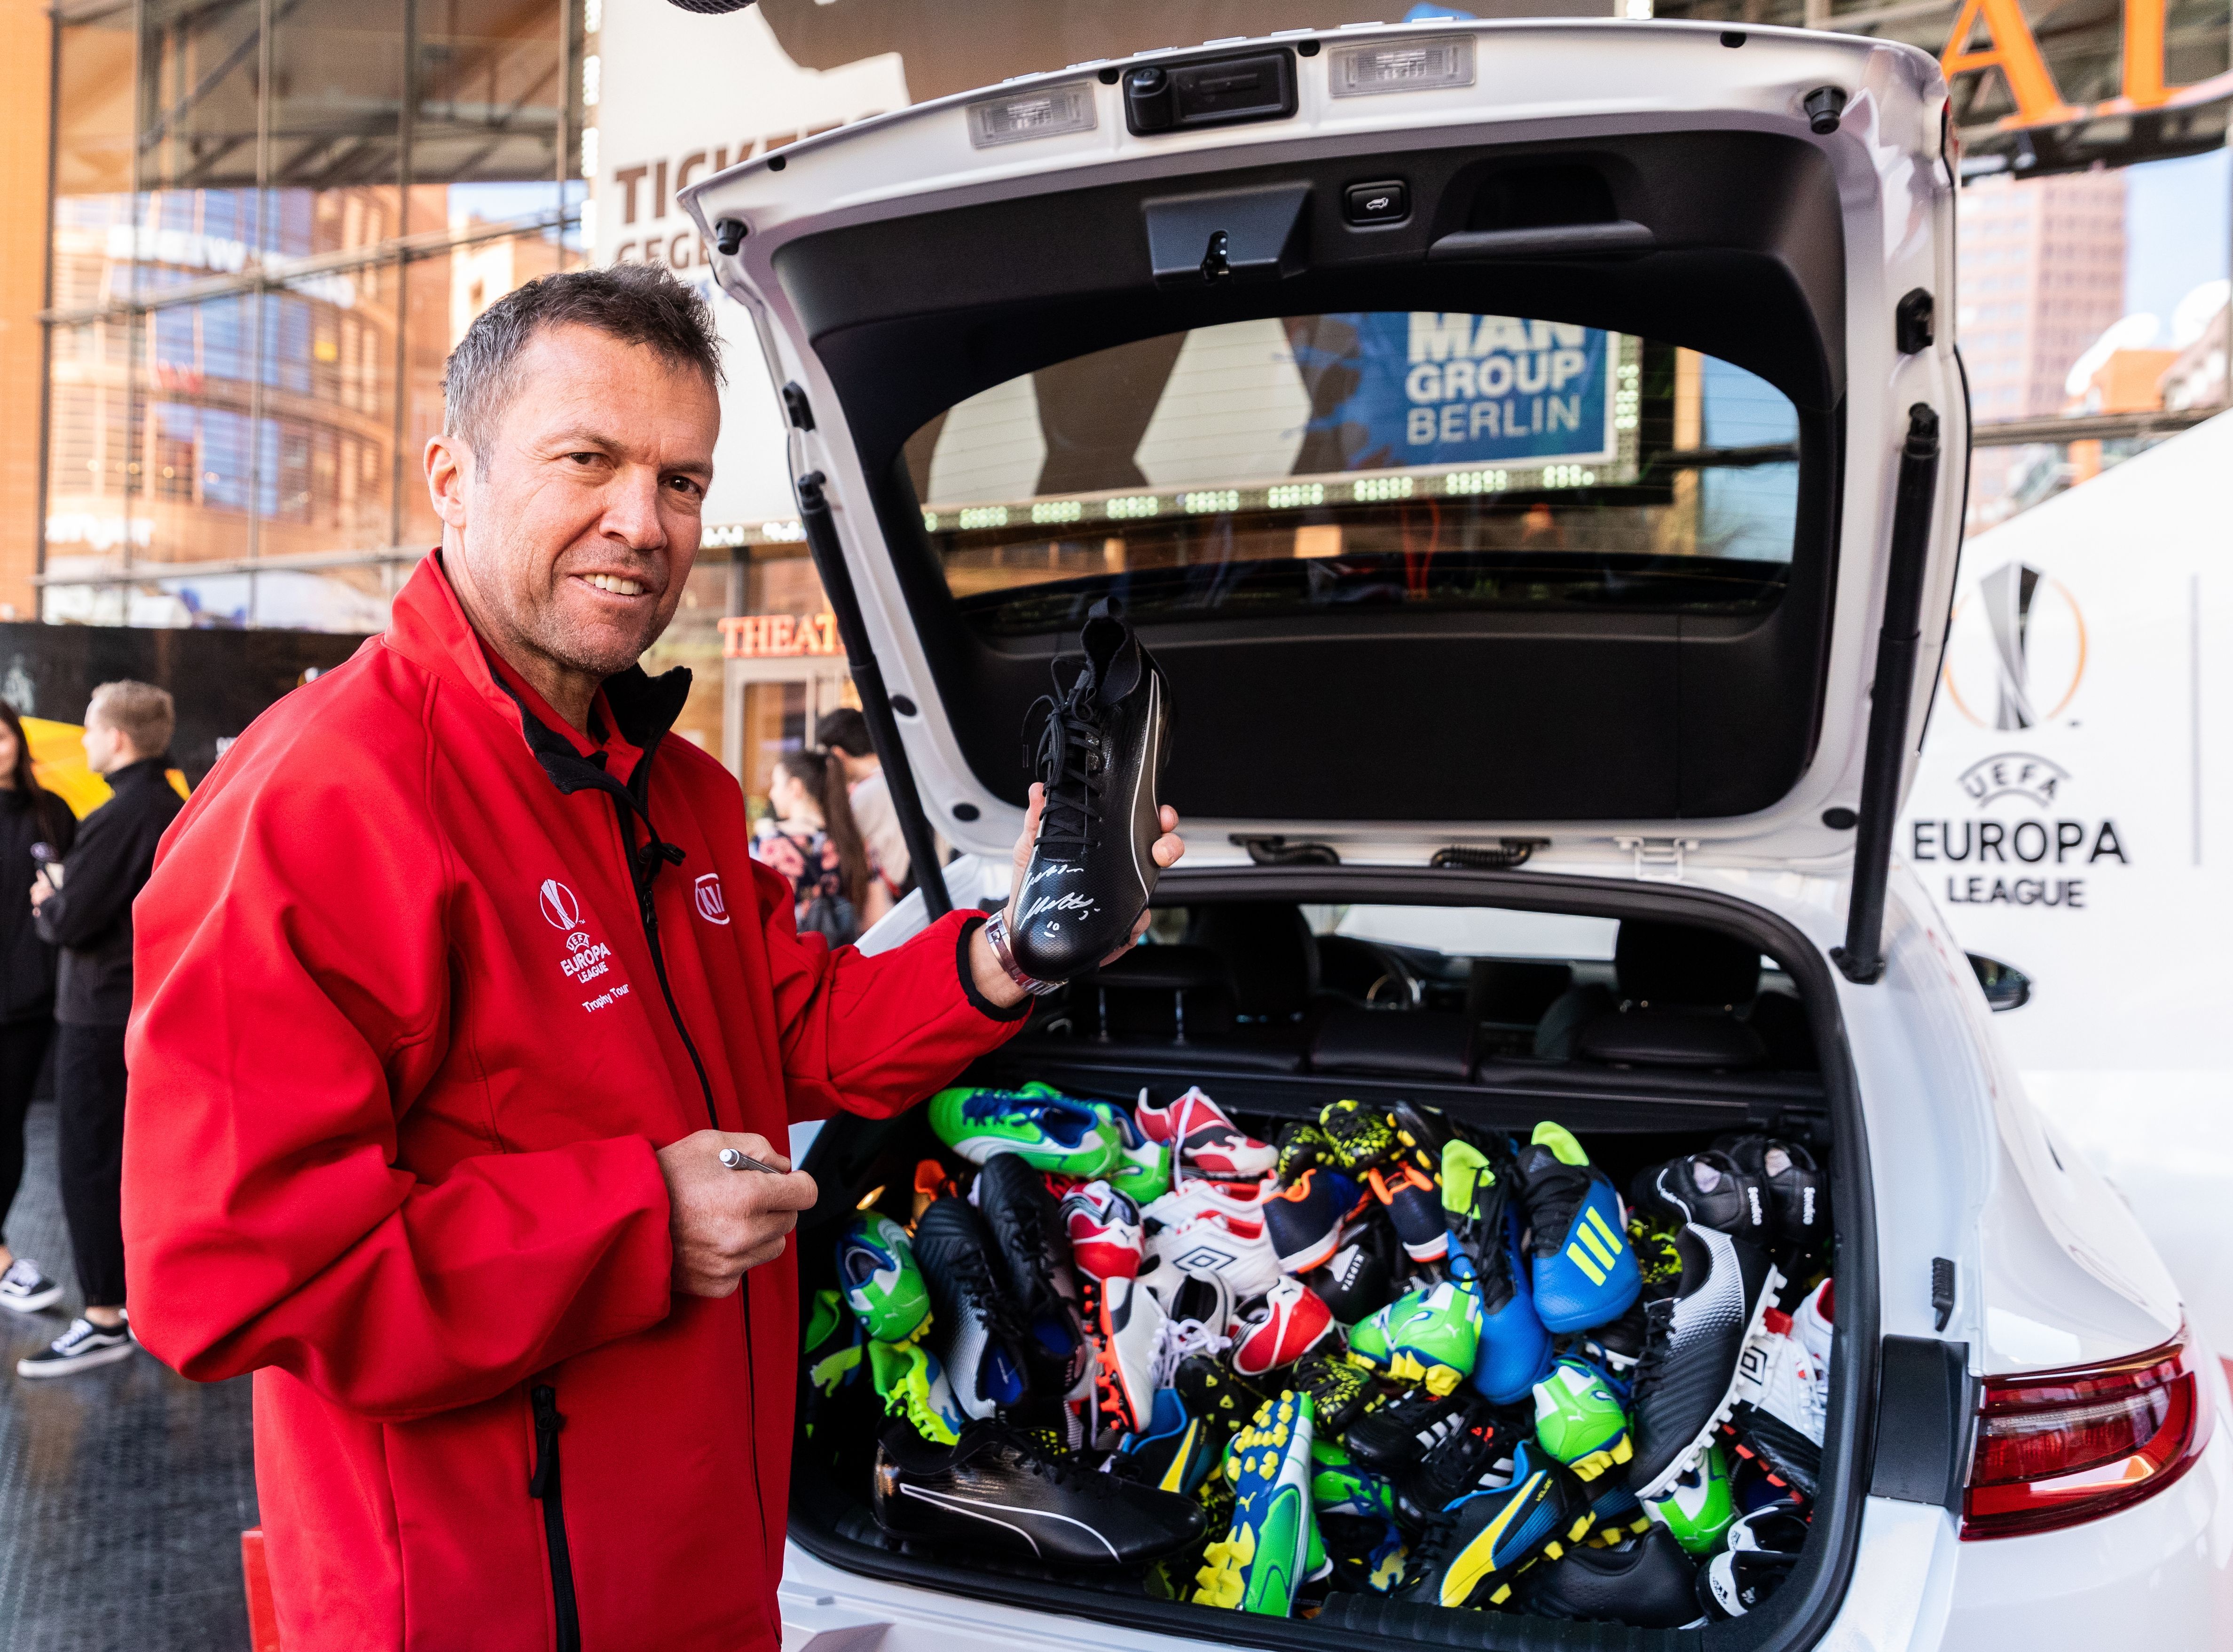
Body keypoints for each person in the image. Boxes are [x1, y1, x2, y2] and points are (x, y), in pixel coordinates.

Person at [121, 265, 1183, 1651]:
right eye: (589, 460)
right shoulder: (321, 799)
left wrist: (1013, 953)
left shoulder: (668, 790)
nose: (641, 520)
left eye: (681, 481)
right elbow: (225, 1270)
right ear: (452, 476)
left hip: (705, 1579)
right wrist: (636, 1223)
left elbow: (798, 1028)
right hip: (474, 1607)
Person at [20, 680, 181, 1377]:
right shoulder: (173, 803)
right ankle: (140, 1307)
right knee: (133, 1165)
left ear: (116, 737)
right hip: (144, 1010)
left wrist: (51, 901)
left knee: (88, 1162)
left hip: (98, 1015)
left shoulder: (124, 813)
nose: (83, 741)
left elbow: (74, 919)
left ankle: (103, 1316)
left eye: (90, 729)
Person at [0, 699, 75, 1316]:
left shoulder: (52, 813)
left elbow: (79, 898)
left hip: (25, 1001)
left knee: (7, 1129)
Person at [752, 747, 883, 943]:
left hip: (789, 960)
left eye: (776, 784)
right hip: (841, 961)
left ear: (795, 788)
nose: (771, 794)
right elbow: (875, 918)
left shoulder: (767, 843)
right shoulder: (853, 842)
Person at [815, 707, 911, 898]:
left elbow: (839, 849)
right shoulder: (897, 778)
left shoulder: (867, 793)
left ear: (839, 754)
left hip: (887, 899)